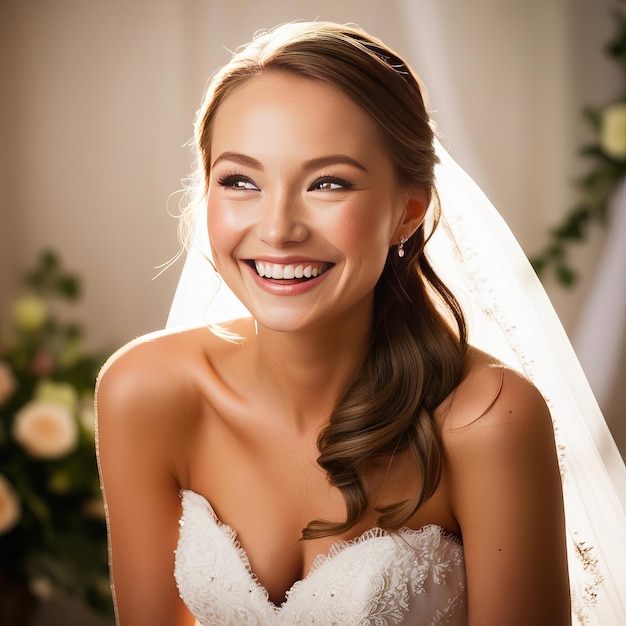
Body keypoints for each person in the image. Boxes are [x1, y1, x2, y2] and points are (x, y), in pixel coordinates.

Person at [96, 21, 626, 626]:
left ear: (408, 211)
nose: (277, 229)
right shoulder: (143, 391)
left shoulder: (486, 419)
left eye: (328, 183)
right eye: (240, 180)